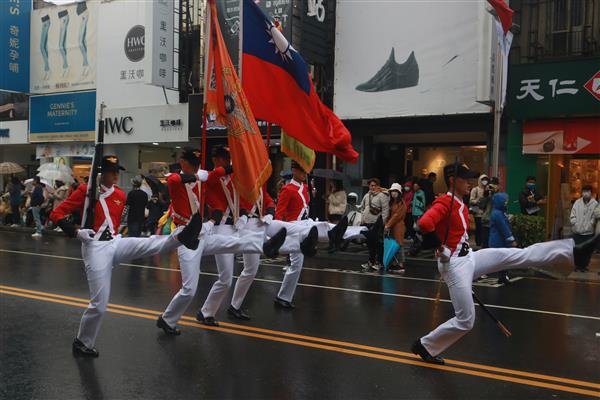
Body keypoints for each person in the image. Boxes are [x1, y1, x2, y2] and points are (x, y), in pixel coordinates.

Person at [411, 162, 600, 365]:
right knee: (466, 320)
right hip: (455, 265)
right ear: (452, 180)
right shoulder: (444, 203)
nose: (470, 183)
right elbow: (424, 223)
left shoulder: (459, 202)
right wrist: (440, 248)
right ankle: (424, 346)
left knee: (518, 255)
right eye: (466, 179)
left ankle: (574, 252)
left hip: (469, 258)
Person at [50, 155, 202, 357]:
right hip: (95, 247)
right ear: (101, 172)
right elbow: (57, 214)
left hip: (115, 242)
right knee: (100, 304)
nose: (115, 175)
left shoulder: (120, 195)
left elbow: (116, 220)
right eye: (112, 171)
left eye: (117, 171)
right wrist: (77, 231)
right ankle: (82, 341)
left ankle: (181, 237)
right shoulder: (85, 192)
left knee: (148, 244)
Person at [360, 178, 389, 271]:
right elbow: (362, 207)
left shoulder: (382, 196)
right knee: (370, 244)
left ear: (378, 186)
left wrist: (384, 223)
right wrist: (362, 219)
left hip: (377, 224)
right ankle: (371, 261)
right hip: (367, 223)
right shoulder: (366, 195)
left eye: (374, 185)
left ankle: (379, 262)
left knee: (378, 244)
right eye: (371, 185)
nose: (373, 187)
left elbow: (385, 210)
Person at [488, 192, 517, 284]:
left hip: (499, 240)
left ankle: (502, 276)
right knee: (502, 259)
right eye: (505, 200)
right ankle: (502, 276)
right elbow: (503, 227)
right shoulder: (498, 214)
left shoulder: (499, 212)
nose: (506, 202)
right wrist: (511, 240)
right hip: (499, 240)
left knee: (502, 259)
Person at [570, 185, 598, 272]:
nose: (586, 193)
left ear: (591, 193)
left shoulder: (595, 204)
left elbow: (595, 216)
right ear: (582, 192)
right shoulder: (577, 202)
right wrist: (575, 223)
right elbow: (572, 214)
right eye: (584, 191)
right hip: (577, 231)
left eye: (588, 191)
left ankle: (584, 266)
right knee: (577, 250)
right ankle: (578, 266)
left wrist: (591, 224)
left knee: (587, 251)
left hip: (589, 232)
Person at [384, 183, 406, 273]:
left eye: (395, 191)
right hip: (393, 226)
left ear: (399, 192)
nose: (393, 193)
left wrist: (387, 225)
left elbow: (397, 216)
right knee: (394, 245)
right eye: (392, 191)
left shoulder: (401, 203)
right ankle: (394, 264)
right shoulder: (393, 202)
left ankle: (400, 264)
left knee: (399, 245)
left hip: (398, 226)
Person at [469, 174, 489, 247]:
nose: (484, 181)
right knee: (479, 229)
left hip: (486, 213)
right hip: (478, 212)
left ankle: (483, 243)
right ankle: (478, 243)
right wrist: (478, 201)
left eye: (486, 180)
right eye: (483, 180)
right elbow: (471, 200)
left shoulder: (488, 189)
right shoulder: (475, 189)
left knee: (485, 229)